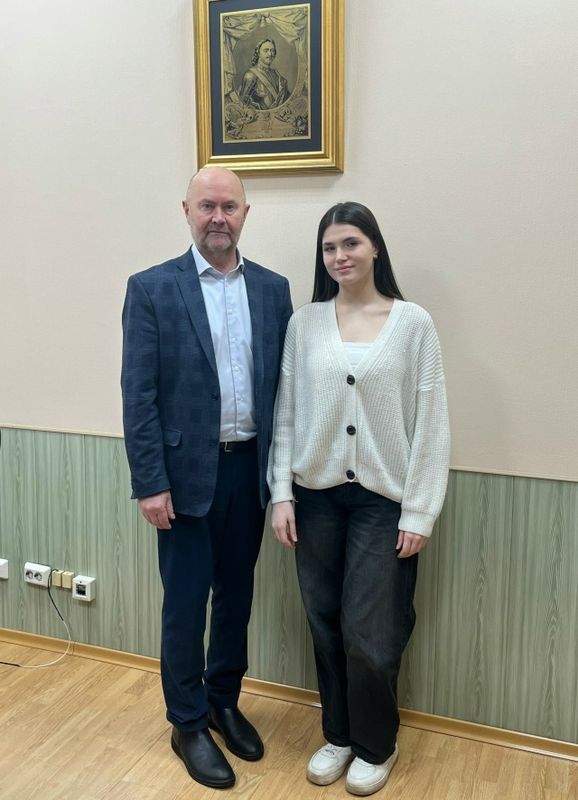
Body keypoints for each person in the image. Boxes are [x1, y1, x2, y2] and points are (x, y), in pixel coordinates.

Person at [269, 202, 450, 796]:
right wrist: (281, 493)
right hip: (315, 496)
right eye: (329, 247)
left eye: (350, 243)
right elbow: (286, 414)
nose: (339, 256)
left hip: (382, 501)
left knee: (372, 633)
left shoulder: (413, 323)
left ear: (375, 247)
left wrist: (420, 510)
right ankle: (339, 735)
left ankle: (376, 744)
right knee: (324, 622)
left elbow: (431, 422)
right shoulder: (304, 323)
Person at [121, 167, 293, 790]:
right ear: (186, 211)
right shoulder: (152, 288)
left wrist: (282, 480)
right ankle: (188, 721)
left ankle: (223, 700)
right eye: (206, 206)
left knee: (236, 598)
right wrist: (150, 482)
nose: (218, 217)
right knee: (186, 604)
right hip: (183, 479)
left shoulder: (273, 290)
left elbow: (284, 390)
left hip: (250, 471)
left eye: (229, 207)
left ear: (246, 214)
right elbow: (138, 395)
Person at [239, 38, 290, 110]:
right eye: (266, 50)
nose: (270, 54)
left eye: (272, 51)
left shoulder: (276, 75)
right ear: (258, 53)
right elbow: (243, 104)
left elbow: (287, 101)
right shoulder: (250, 75)